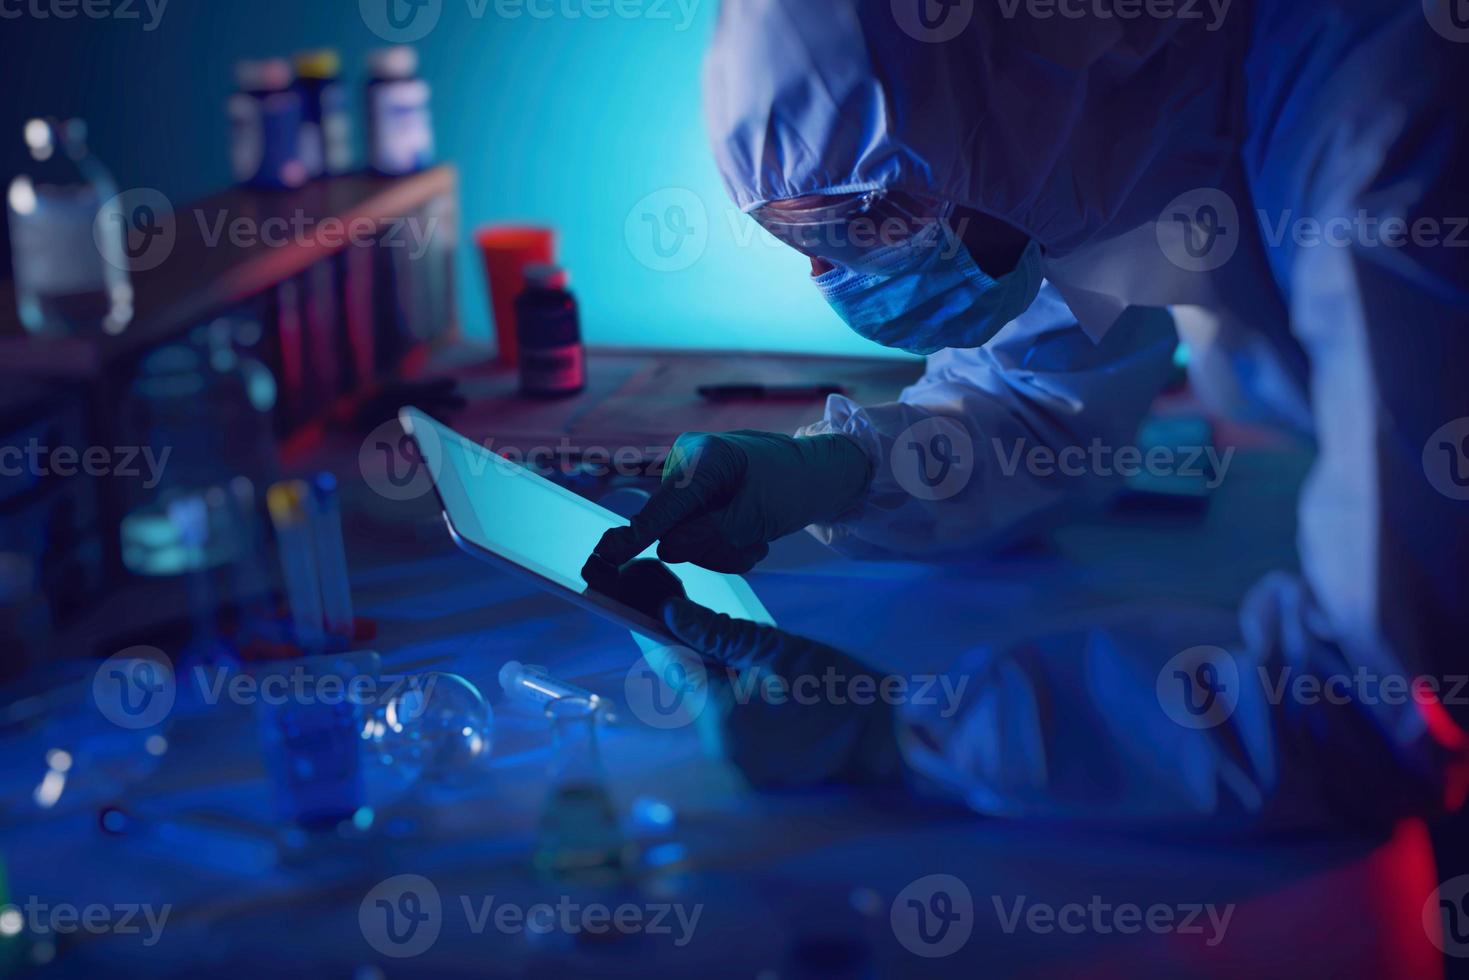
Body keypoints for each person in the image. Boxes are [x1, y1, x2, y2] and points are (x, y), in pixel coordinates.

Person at [587, 0, 1469, 828]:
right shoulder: (1100, 129)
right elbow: (1041, 407)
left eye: (871, 223)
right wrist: (839, 471)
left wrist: (908, 732)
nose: (842, 284)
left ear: (1026, 87)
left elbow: (1386, 699)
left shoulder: (1391, 153)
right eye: (809, 247)